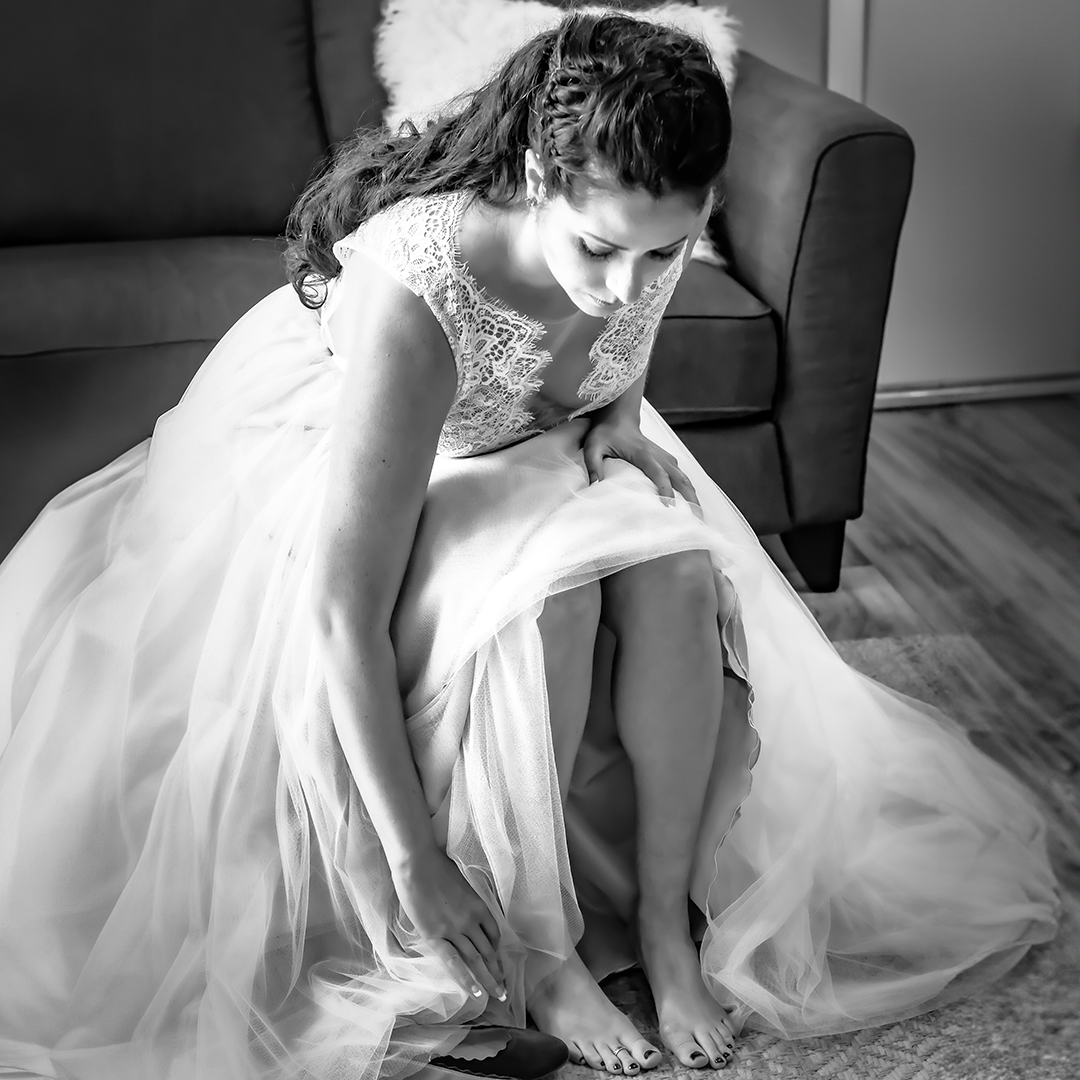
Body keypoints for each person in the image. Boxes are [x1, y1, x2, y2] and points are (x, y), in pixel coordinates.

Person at [0, 10, 1060, 1080]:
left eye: (662, 253)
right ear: (533, 175)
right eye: (597, 247)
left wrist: (620, 412)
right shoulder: (420, 288)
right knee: (556, 597)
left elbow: (617, 338)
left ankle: (661, 924)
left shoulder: (644, 235)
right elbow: (340, 611)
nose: (622, 286)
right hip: (375, 452)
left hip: (531, 439)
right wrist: (413, 858)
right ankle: (545, 954)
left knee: (678, 569)